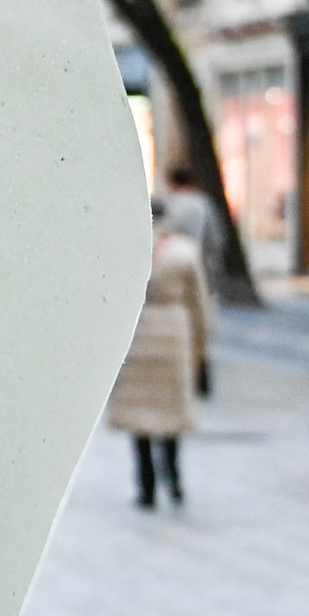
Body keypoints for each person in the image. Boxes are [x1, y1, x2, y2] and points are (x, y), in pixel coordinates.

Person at [108, 204, 214, 507]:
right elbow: (199, 302)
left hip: (138, 332)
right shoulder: (185, 251)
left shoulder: (129, 251)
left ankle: (146, 485)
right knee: (171, 409)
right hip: (174, 331)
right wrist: (201, 345)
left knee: (140, 413)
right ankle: (175, 478)